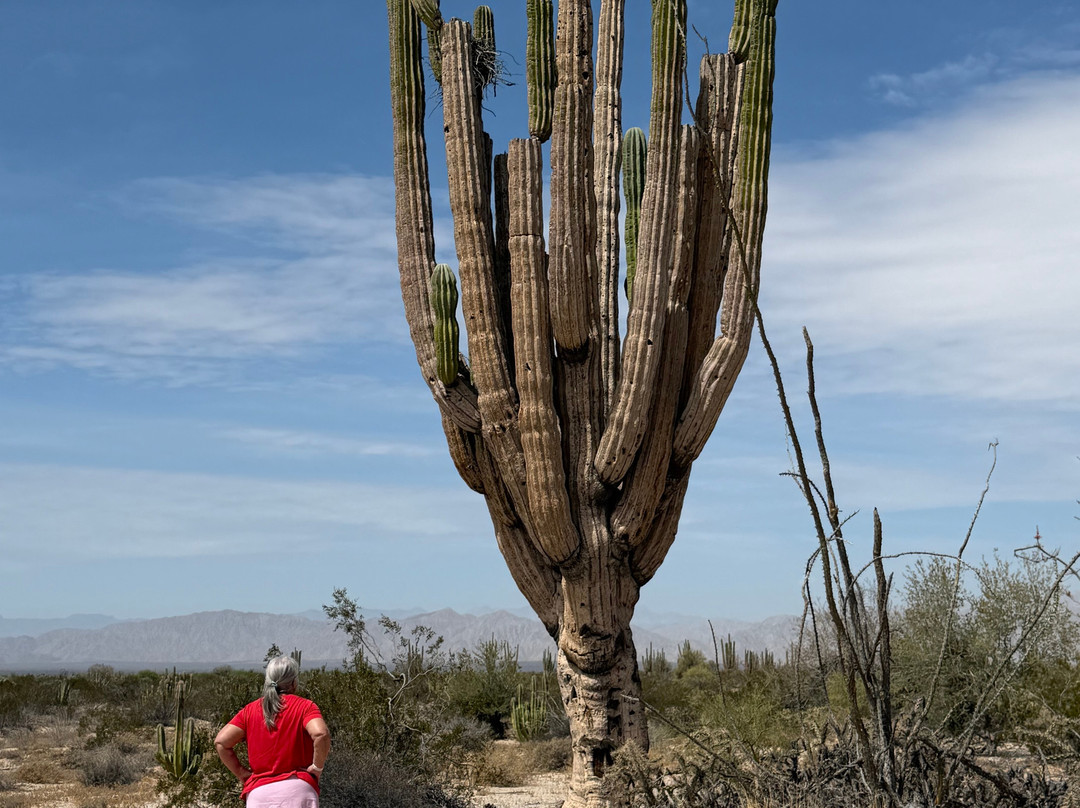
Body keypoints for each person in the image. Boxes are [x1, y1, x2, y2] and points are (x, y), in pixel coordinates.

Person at [215, 655, 330, 807]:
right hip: (298, 791)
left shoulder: (249, 711)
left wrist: (241, 773)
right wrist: (317, 767)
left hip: (260, 794)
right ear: (294, 682)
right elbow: (321, 734)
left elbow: (221, 742)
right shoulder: (305, 707)